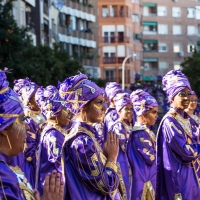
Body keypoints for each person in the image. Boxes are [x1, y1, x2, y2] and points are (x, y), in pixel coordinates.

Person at [0, 70, 63, 200]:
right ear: (4, 129)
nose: (27, 126)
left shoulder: (7, 170)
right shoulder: (4, 179)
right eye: (22, 120)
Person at [59, 73, 123, 200]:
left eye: (104, 102)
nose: (105, 108)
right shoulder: (81, 142)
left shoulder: (87, 136)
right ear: (83, 107)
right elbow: (106, 185)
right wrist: (112, 159)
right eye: (99, 103)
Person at [156, 70, 200, 200]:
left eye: (188, 93)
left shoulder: (187, 118)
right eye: (182, 94)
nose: (187, 98)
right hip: (179, 178)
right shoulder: (170, 121)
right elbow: (186, 152)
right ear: (172, 97)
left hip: (191, 175)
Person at [35, 85, 72, 195]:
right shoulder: (53, 135)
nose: (70, 113)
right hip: (53, 188)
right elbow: (61, 163)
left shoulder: (58, 130)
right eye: (66, 109)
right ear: (56, 112)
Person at [127, 89, 158, 200]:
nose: (156, 116)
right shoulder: (139, 134)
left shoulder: (145, 131)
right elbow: (151, 158)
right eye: (153, 112)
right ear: (143, 113)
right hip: (145, 182)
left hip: (150, 178)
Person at [13, 78, 44, 188]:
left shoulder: (40, 114)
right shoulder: (27, 118)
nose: (38, 99)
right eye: (35, 96)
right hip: (31, 165)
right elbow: (29, 149)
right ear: (28, 99)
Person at [110, 93, 133, 200]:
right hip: (121, 163)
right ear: (119, 111)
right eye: (126, 109)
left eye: (131, 109)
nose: (129, 111)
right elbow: (126, 146)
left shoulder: (129, 125)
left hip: (130, 162)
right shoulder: (118, 126)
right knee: (124, 190)